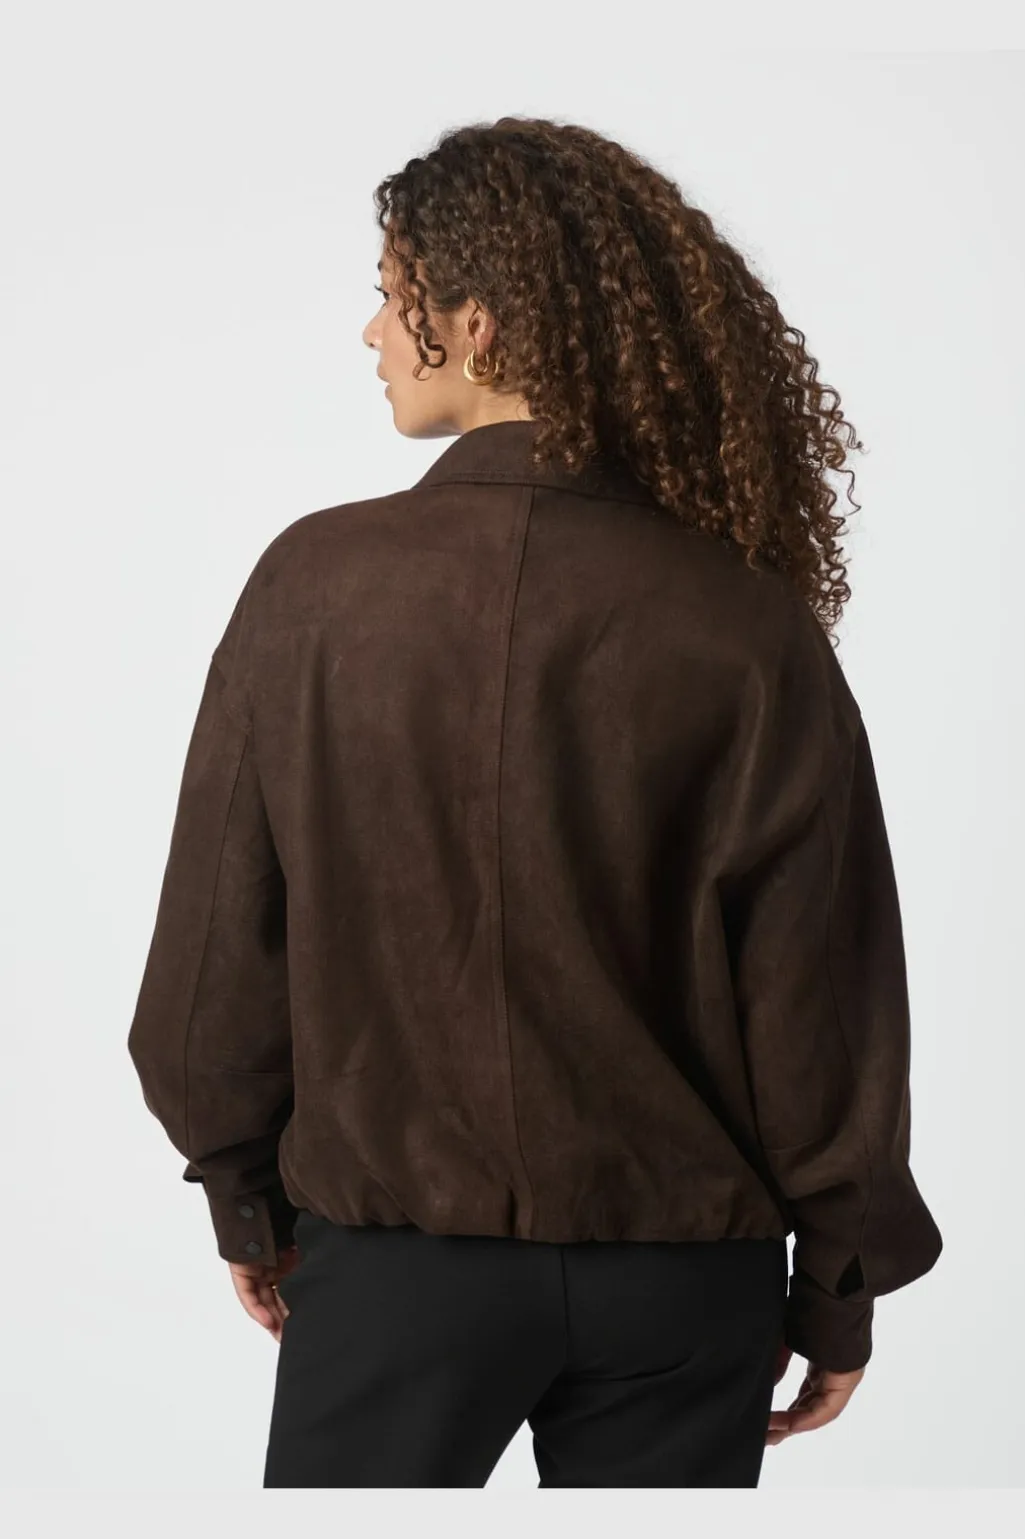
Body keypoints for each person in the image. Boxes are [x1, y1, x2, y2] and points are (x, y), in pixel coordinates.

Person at [126, 115, 943, 1488]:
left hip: (394, 1272)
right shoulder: (746, 623)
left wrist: (244, 1197)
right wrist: (838, 1283)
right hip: (684, 1284)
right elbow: (823, 1003)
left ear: (480, 324)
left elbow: (214, 963)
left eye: (394, 298)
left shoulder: (312, 589)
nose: (372, 333)